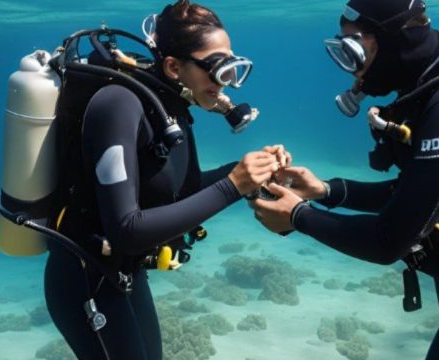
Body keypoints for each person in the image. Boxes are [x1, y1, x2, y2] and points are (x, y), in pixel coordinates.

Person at [251, 0, 439, 358]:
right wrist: (327, 191)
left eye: (353, 50)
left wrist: (299, 216)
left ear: (392, 41)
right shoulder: (434, 87)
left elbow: (387, 242)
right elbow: (420, 190)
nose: (350, 69)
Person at [44, 1, 289, 358]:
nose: (230, 82)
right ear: (174, 66)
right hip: (85, 276)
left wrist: (249, 175)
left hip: (124, 273)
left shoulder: (169, 108)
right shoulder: (119, 105)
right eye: (219, 69)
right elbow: (125, 229)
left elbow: (181, 194)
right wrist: (234, 184)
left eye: (233, 65)